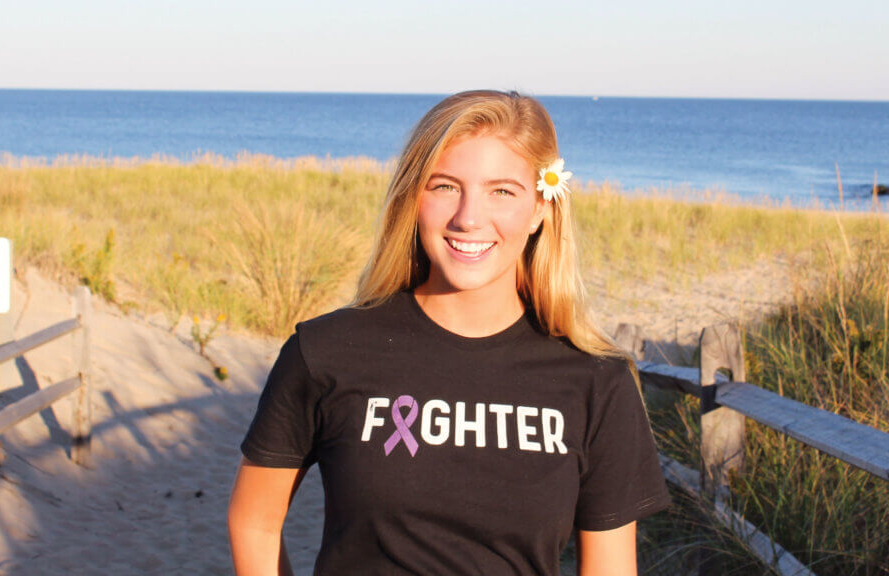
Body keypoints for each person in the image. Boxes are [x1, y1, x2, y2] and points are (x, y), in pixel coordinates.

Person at [228, 89, 672, 575]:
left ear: (540, 209)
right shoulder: (326, 352)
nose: (468, 218)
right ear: (412, 199)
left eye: (502, 191)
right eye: (444, 186)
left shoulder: (598, 381)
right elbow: (254, 522)